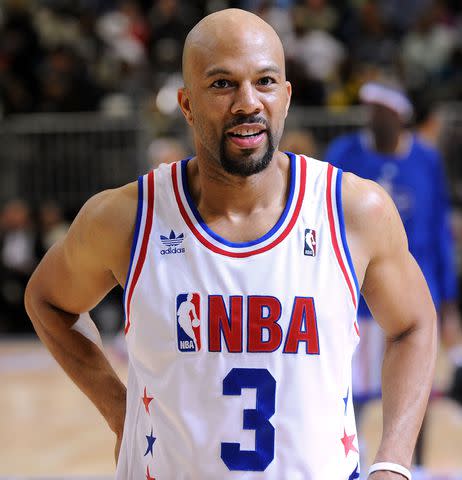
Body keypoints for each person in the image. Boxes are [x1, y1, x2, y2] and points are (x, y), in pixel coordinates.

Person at [25, 9, 436, 479]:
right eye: (222, 84)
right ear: (186, 103)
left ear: (285, 96)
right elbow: (47, 300)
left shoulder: (354, 211)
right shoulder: (126, 219)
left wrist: (393, 462)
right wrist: (120, 411)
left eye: (264, 81)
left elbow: (414, 324)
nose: (247, 103)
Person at [324, 82, 462, 415]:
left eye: (382, 111)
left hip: (415, 290)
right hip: (357, 293)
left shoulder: (426, 160)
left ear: (400, 115)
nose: (373, 118)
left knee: (415, 389)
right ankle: (351, 461)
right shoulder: (343, 152)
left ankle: (412, 464)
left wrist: (448, 304)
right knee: (349, 391)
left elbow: (439, 231)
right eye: (370, 110)